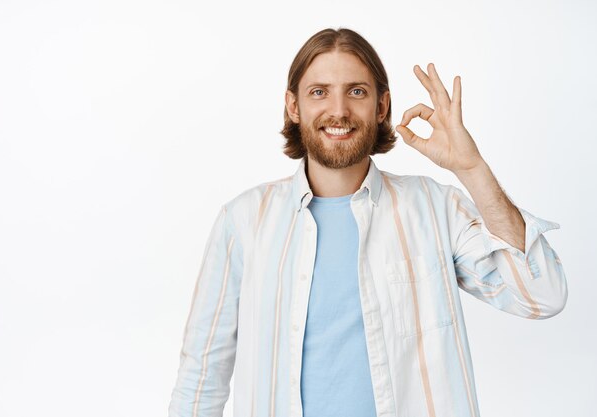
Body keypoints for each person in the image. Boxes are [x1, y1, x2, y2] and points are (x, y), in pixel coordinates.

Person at [168, 27, 567, 417]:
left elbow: (542, 296)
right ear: (293, 106)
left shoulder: (433, 208)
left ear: (381, 106)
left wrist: (472, 168)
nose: (338, 110)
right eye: (319, 92)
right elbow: (201, 375)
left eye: (356, 91)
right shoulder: (243, 221)